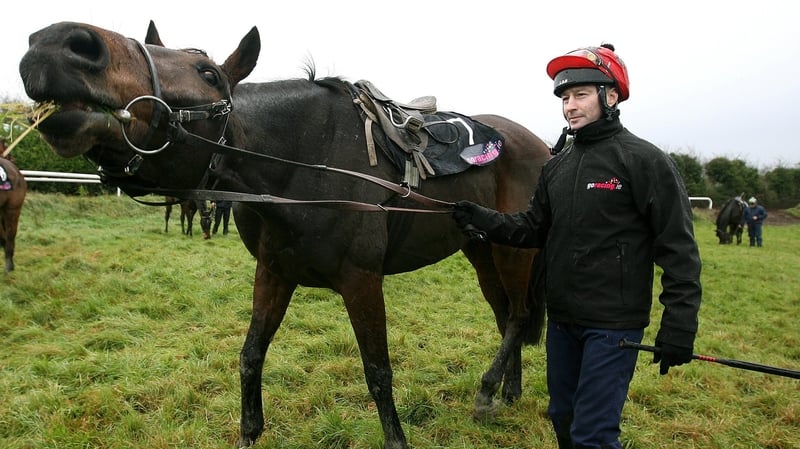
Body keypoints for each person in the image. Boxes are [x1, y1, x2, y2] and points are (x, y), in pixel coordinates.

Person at [451, 44, 702, 449]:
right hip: (564, 322)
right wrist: (483, 218)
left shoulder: (644, 161)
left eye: (581, 94)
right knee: (562, 418)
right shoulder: (557, 166)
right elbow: (533, 229)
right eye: (565, 97)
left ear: (612, 96)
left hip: (613, 326)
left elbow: (679, 250)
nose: (570, 106)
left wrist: (680, 324)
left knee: (594, 434)